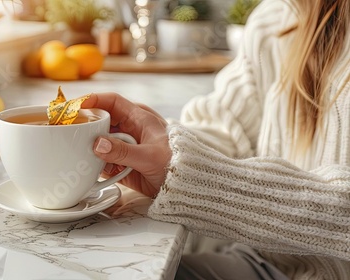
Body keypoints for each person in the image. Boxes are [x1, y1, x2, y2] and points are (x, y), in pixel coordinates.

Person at [81, 0, 350, 279]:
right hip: (264, 263)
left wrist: (187, 177)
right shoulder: (276, 18)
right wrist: (163, 146)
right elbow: (226, 128)